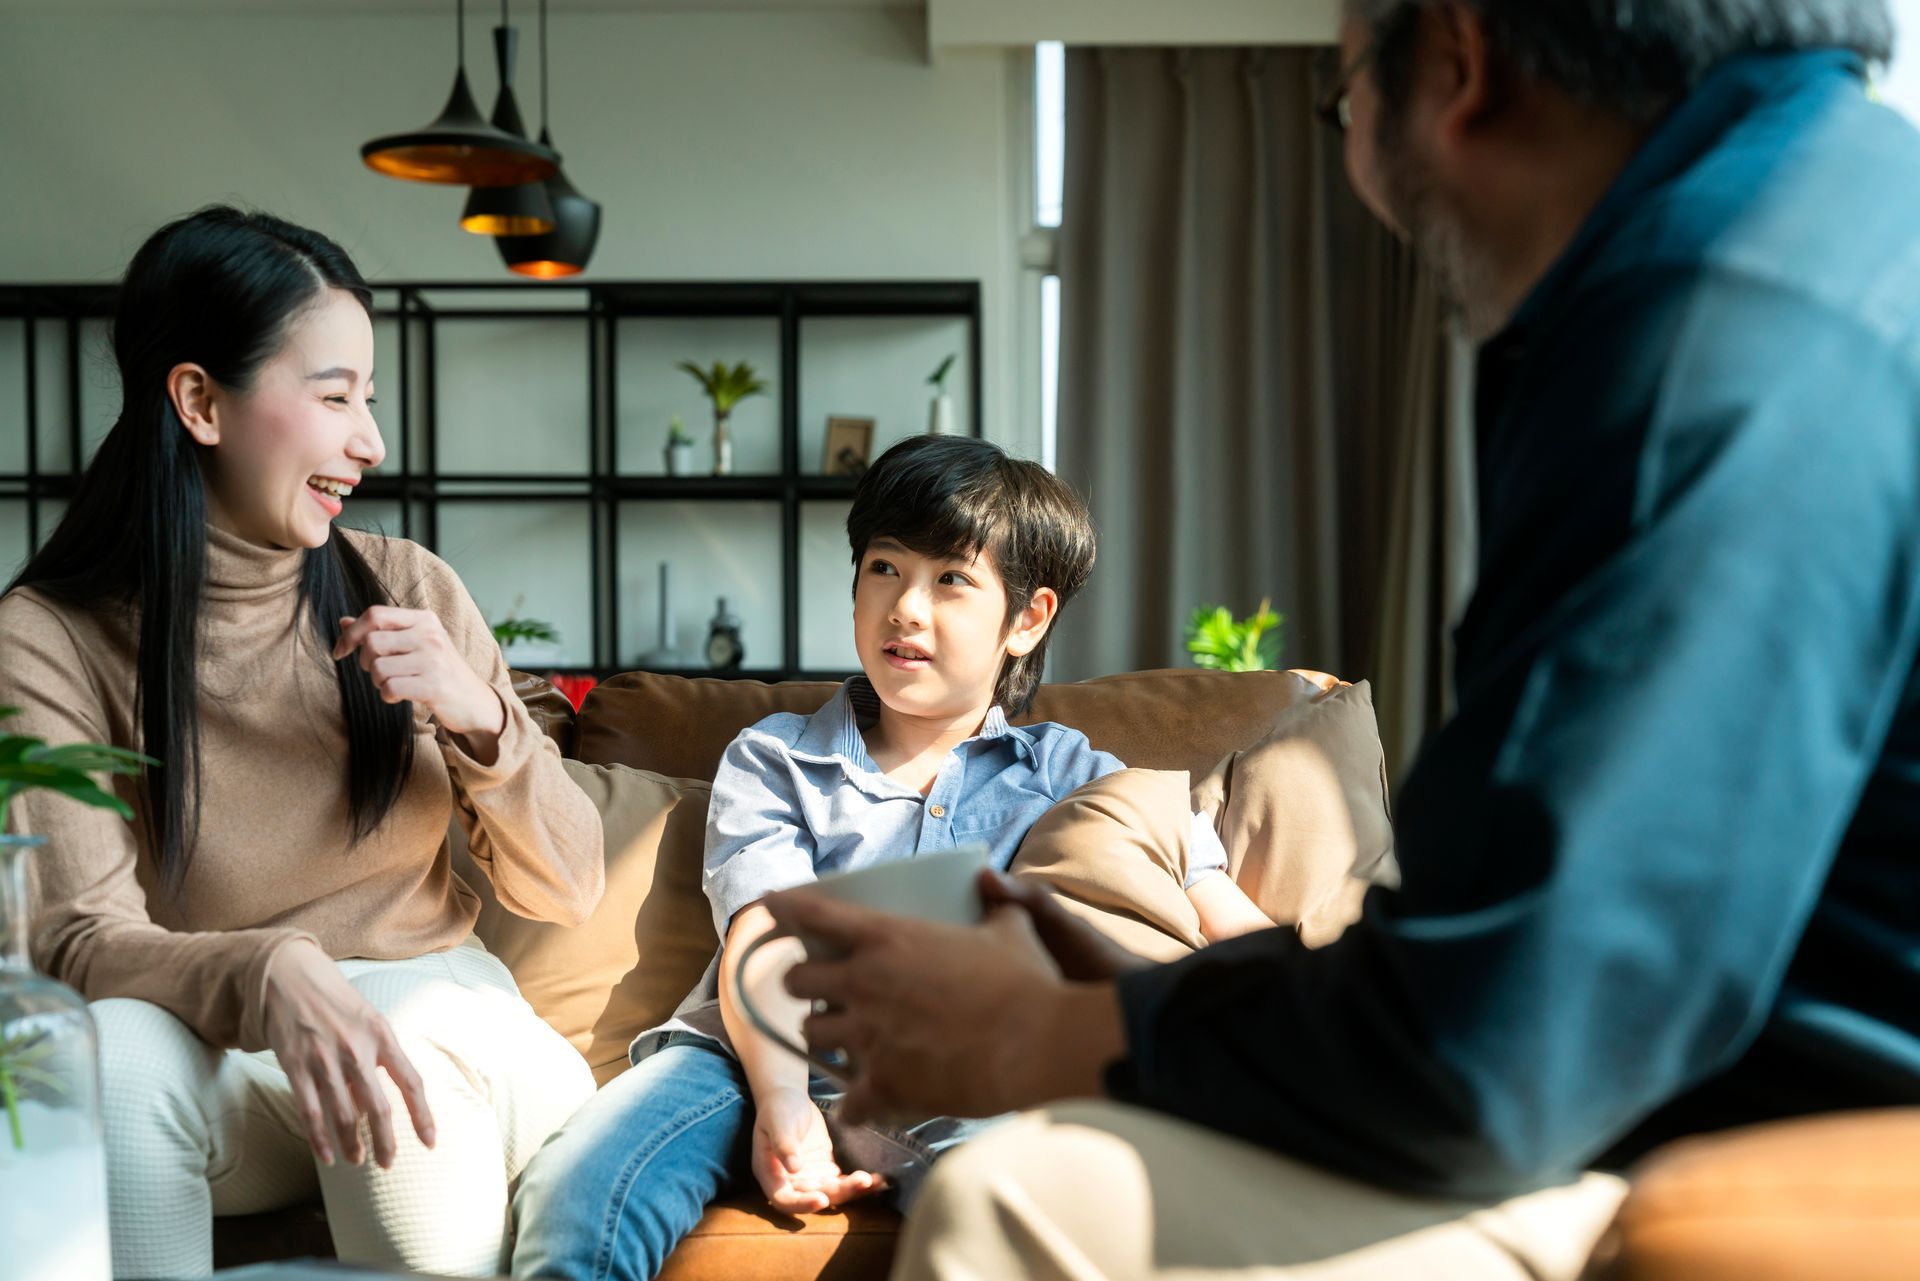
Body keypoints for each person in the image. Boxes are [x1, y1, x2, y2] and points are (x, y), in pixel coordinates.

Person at [759, 2, 1920, 1278]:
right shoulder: (1830, 221)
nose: (1358, 147)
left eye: (1348, 93)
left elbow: (1503, 1038)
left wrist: (1045, 1035)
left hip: (1785, 1150)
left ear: (1461, 62)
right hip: (1694, 1093)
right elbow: (1526, 940)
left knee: (1014, 1204)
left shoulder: (1714, 324)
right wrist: (1128, 1006)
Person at [0, 206, 605, 1279]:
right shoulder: (48, 635)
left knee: (398, 1057)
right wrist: (271, 966)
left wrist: (480, 717)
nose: (370, 441)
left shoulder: (409, 586)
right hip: (225, 1034)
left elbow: (570, 888)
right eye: (335, 398)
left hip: (443, 1027)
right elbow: (79, 937)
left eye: (366, 399)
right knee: (114, 1055)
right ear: (199, 402)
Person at [509, 435, 1272, 1281]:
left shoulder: (1073, 774)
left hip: (951, 1067)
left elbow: (1220, 914)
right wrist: (783, 1101)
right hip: (742, 1053)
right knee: (576, 1193)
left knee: (1026, 1197)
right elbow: (768, 935)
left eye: (951, 579)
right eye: (885, 568)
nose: (906, 607)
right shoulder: (776, 758)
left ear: (1027, 618)